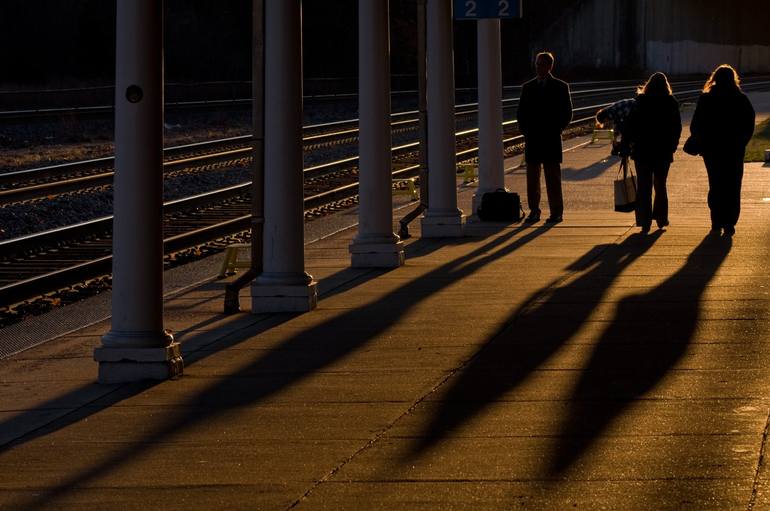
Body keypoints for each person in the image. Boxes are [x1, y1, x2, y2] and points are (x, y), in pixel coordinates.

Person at [689, 64, 755, 236]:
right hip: (734, 149)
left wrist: (702, 141)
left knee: (716, 184)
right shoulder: (740, 98)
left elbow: (696, 124)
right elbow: (749, 123)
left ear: (715, 78)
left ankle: (716, 221)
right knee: (733, 185)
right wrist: (741, 142)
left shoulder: (706, 99)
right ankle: (730, 222)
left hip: (712, 150)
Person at [516, 51, 573, 223]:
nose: (538, 67)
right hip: (533, 138)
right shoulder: (527, 87)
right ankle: (534, 210)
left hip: (551, 138)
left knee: (553, 178)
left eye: (541, 64)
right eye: (537, 64)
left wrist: (557, 128)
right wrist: (525, 130)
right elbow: (521, 112)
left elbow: (567, 112)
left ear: (550, 66)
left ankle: (556, 212)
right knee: (532, 179)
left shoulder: (561, 87)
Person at [625, 72, 681, 233]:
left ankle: (644, 220)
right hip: (663, 151)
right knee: (660, 185)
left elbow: (631, 125)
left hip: (642, 150)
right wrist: (672, 146)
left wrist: (627, 144)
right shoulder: (671, 102)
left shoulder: (640, 101)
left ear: (648, 85)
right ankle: (661, 218)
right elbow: (676, 128)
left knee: (643, 186)